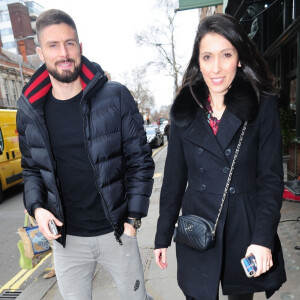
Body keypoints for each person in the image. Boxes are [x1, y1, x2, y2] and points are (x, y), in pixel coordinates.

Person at [17, 9, 154, 300]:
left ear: (81, 47)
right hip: (67, 242)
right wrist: (37, 208)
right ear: (41, 53)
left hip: (117, 232)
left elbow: (140, 160)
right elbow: (30, 169)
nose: (64, 52)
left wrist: (132, 220)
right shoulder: (30, 111)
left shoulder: (115, 96)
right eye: (53, 45)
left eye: (70, 43)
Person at [154, 13, 286, 300]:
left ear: (239, 58)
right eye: (207, 57)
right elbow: (174, 180)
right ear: (198, 62)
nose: (216, 68)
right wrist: (162, 235)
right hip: (198, 225)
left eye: (226, 55)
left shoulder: (261, 106)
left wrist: (263, 239)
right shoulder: (185, 110)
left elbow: (271, 179)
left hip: (244, 227)